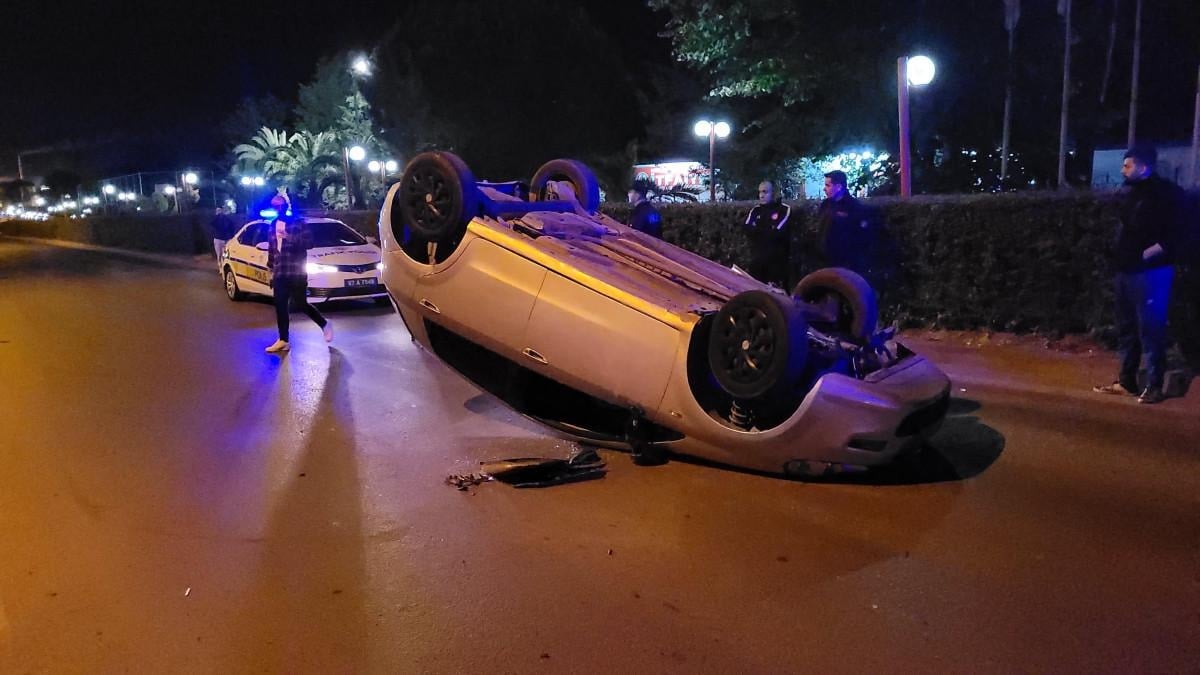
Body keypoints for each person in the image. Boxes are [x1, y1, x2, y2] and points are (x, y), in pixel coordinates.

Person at [1093, 144, 1185, 404]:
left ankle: (1154, 385)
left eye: (1128, 165)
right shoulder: (1132, 193)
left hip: (1150, 273)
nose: (1123, 170)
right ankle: (1127, 381)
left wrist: (1153, 252)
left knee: (1151, 330)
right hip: (1125, 271)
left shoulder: (1166, 194)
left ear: (1143, 167)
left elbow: (1179, 231)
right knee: (1127, 329)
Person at [264, 213, 333, 354]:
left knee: (301, 304)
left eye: (280, 204)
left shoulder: (299, 223)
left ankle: (324, 324)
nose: (277, 207)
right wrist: (270, 270)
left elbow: (310, 243)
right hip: (280, 273)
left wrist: (289, 237)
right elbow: (272, 250)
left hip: (296, 273)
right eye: (275, 204)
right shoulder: (272, 225)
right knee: (280, 306)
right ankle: (283, 340)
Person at [816, 170, 875, 278]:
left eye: (828, 185)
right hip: (824, 262)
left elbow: (861, 236)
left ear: (838, 187)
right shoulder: (826, 205)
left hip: (847, 265)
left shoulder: (854, 207)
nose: (824, 189)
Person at [742, 180, 791, 287]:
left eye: (765, 192)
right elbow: (747, 229)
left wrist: (758, 230)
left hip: (777, 263)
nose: (761, 195)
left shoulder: (784, 209)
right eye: (760, 192)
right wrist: (767, 230)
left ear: (773, 193)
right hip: (757, 262)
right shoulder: (755, 211)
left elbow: (777, 233)